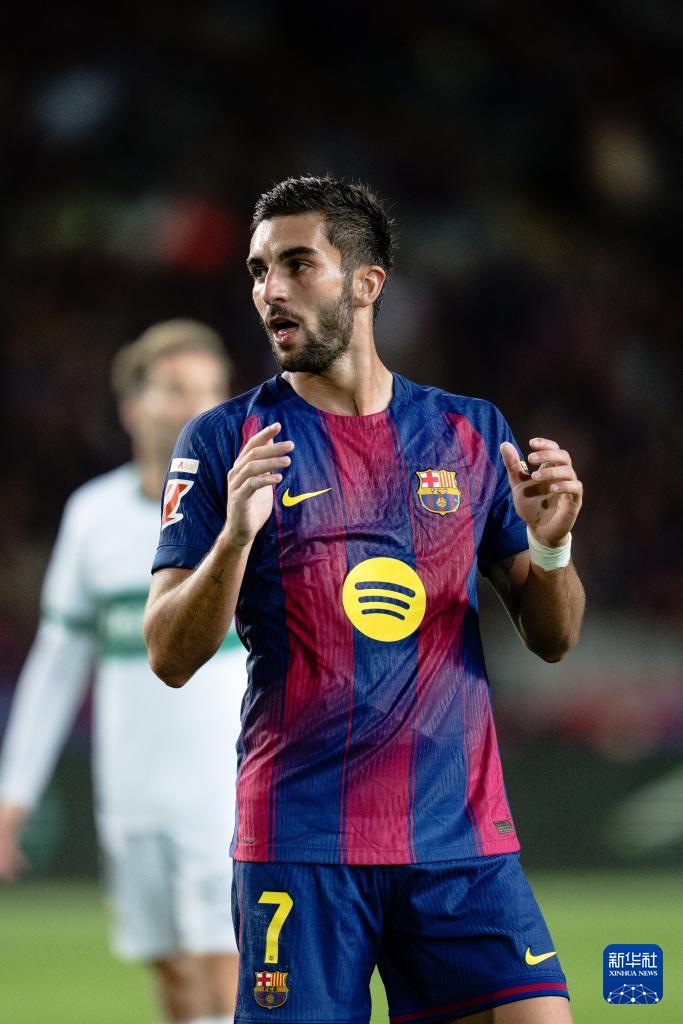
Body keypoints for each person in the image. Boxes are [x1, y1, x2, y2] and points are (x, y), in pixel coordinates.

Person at [144, 179, 586, 1024]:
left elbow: (554, 636)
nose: (269, 290)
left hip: (458, 841)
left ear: (365, 282)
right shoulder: (225, 441)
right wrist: (233, 539)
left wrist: (550, 546)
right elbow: (167, 652)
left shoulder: (466, 433)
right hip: (300, 845)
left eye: (296, 265)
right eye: (258, 270)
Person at [0, 320, 245, 1024]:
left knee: (223, 965)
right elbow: (58, 662)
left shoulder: (246, 512)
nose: (196, 406)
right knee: (173, 974)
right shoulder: (93, 516)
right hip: (131, 791)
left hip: (228, 785)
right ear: (133, 407)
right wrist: (15, 792)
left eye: (210, 390)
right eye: (176, 388)